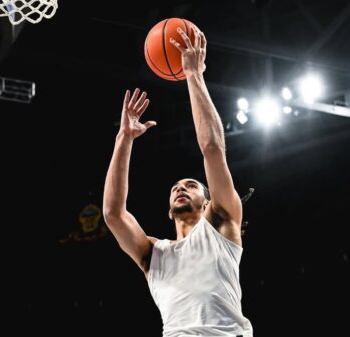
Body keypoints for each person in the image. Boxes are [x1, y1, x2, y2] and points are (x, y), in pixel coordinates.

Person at [103, 25, 253, 337]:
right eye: (175, 187)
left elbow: (212, 150)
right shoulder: (154, 254)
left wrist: (193, 74)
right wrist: (124, 138)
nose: (180, 187)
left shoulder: (222, 224)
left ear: (209, 202)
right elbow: (113, 214)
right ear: (169, 210)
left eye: (190, 184)